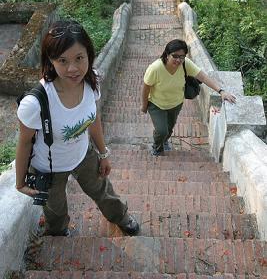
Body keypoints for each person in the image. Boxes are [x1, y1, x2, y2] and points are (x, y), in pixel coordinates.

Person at [15, 20, 139, 236]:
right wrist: (19, 183)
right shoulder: (36, 103)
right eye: (62, 60)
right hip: (49, 167)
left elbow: (94, 118)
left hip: (83, 155)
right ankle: (58, 231)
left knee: (103, 191)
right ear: (50, 61)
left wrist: (103, 153)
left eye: (79, 58)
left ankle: (121, 217)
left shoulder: (93, 81)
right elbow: (24, 143)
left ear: (89, 55)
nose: (73, 69)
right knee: (55, 208)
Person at [141, 39, 236, 156]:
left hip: (176, 104)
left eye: (181, 56)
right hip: (156, 104)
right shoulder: (155, 68)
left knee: (169, 128)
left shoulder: (185, 64)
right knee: (161, 130)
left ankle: (164, 141)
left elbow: (203, 77)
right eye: (175, 56)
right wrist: (144, 105)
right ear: (166, 54)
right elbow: (146, 88)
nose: (178, 60)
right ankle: (157, 147)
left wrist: (221, 91)